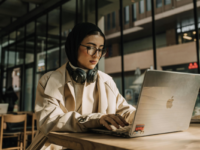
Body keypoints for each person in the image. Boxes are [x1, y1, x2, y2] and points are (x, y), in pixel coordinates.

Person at [27, 22, 136, 150]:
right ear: (74, 46)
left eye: (101, 49)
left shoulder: (107, 81)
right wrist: (96, 119)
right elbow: (49, 121)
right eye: (90, 47)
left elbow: (124, 110)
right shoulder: (49, 80)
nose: (97, 54)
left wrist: (141, 115)